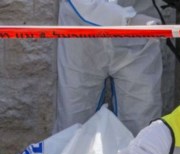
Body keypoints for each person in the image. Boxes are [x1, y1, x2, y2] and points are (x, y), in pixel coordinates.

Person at [55, 0, 163, 135]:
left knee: (142, 124)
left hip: (139, 35)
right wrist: (129, 20)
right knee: (73, 122)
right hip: (83, 37)